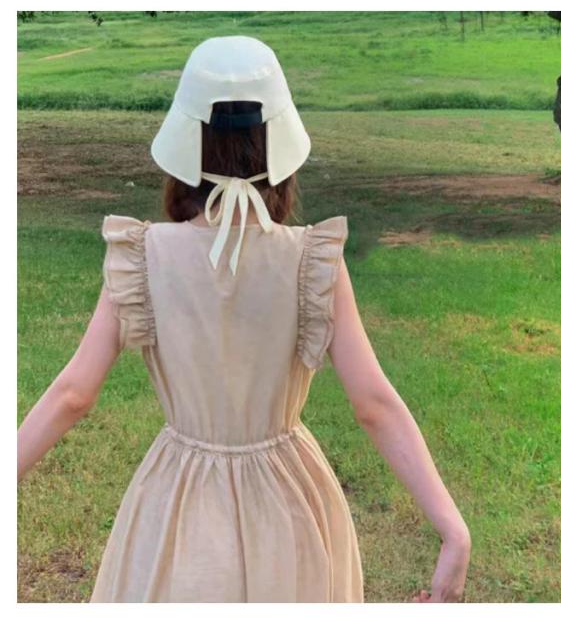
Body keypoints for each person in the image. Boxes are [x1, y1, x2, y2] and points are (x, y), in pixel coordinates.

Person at [17, 35, 470, 603]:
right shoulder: (312, 260)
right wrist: (453, 529)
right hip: (290, 502)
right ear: (280, 149)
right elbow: (374, 405)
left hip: (178, 497)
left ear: (185, 147)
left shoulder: (144, 255)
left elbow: (73, 395)